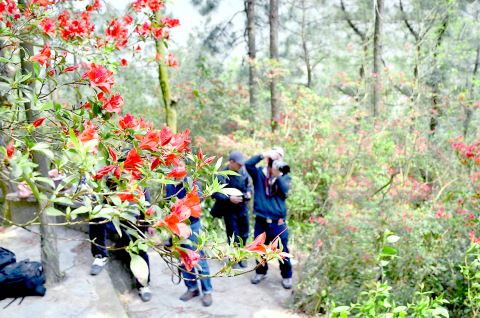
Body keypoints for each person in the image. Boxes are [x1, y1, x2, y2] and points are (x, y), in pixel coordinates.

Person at [89, 181, 152, 302]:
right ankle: (100, 255)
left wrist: (150, 224)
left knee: (141, 249)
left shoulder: (141, 181)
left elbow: (147, 204)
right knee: (96, 217)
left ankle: (143, 285)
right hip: (114, 218)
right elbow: (101, 197)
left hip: (133, 221)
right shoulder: (112, 177)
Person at [245, 146, 293, 289]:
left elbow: (285, 192)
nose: (276, 160)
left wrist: (278, 176)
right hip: (261, 220)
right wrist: (264, 154)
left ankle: (287, 276)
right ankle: (260, 272)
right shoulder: (259, 174)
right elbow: (248, 165)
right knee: (260, 248)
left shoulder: (285, 176)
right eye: (274, 157)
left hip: (278, 222)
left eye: (279, 157)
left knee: (282, 250)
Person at [166, 180, 213, 307]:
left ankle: (207, 290)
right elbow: (166, 205)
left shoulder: (193, 182)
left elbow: (199, 200)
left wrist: (182, 203)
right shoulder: (168, 184)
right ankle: (192, 288)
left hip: (193, 225)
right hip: (177, 225)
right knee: (183, 258)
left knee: (199, 258)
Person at [211, 150, 252, 268]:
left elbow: (249, 187)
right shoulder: (222, 174)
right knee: (233, 235)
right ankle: (233, 259)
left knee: (244, 234)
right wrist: (229, 198)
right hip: (229, 210)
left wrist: (248, 193)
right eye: (239, 164)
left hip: (242, 208)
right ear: (231, 162)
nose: (241, 166)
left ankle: (241, 257)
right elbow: (215, 193)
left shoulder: (244, 172)